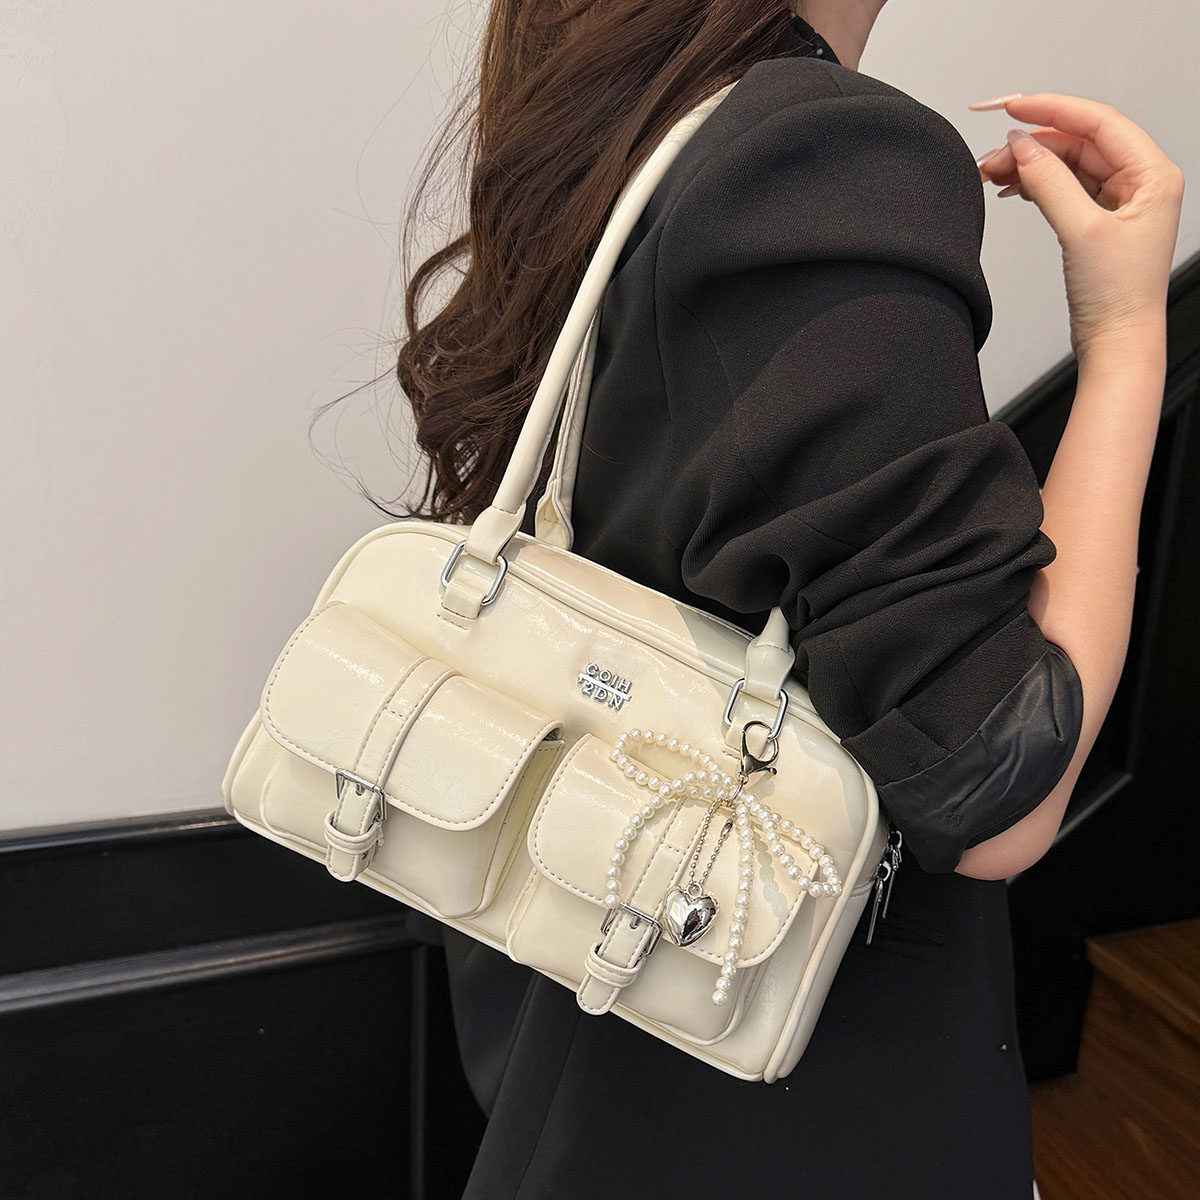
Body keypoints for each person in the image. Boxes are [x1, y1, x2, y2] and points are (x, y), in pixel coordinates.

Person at [386, 2, 1184, 1196]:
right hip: (792, 1097)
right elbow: (996, 792)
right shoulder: (819, 151)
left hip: (604, 1028)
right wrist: (1124, 332)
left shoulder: (634, 107)